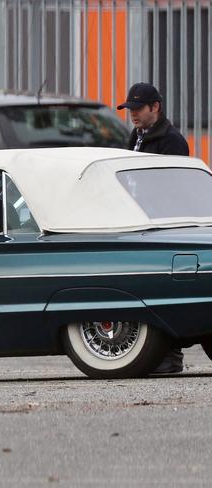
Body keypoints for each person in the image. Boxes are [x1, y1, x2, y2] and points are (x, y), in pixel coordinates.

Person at [117, 82, 189, 374]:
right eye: (129, 109)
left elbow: (173, 188)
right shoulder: (137, 135)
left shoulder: (171, 142)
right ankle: (156, 354)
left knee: (163, 291)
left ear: (155, 107)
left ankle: (171, 356)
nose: (132, 114)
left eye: (137, 109)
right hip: (138, 222)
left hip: (163, 227)